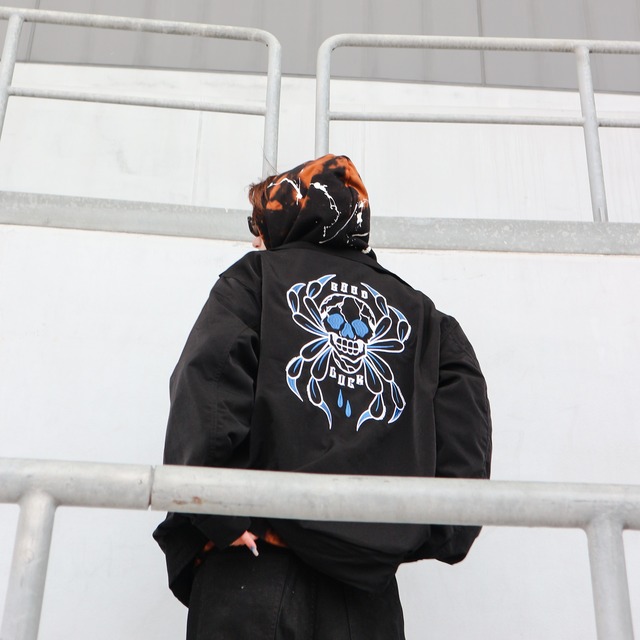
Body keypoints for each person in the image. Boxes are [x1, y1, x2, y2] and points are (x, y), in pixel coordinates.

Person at [153, 154, 492, 639]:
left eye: (258, 225)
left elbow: (207, 383)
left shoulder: (256, 279)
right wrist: (416, 536)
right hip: (368, 599)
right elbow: (465, 440)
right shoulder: (428, 320)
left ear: (288, 217)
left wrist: (217, 509)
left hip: (256, 569)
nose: (255, 241)